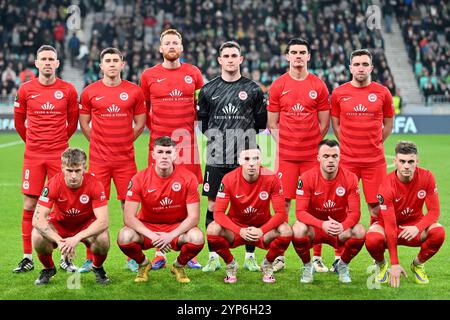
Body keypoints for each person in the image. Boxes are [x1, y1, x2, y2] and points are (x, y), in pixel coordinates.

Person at [197, 41, 267, 272]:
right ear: (219, 60)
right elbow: (204, 125)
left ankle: (249, 256)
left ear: (241, 59)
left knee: (249, 206)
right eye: (225, 55)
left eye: (234, 55)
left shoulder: (254, 89)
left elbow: (260, 123)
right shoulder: (208, 90)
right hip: (217, 157)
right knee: (214, 205)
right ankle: (214, 256)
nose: (229, 59)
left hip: (247, 158)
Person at [140, 29, 203, 270]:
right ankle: (159, 252)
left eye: (175, 42)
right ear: (160, 48)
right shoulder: (149, 76)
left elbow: (200, 106)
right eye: (167, 43)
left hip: (187, 146)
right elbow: (144, 109)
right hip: (159, 146)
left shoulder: (193, 73)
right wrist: (156, 132)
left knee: (188, 197)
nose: (171, 46)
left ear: (182, 47)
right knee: (157, 196)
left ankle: (189, 251)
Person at [79, 47, 146, 273]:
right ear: (101, 65)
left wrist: (126, 140)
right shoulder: (89, 92)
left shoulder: (134, 92)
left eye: (115, 60)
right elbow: (84, 124)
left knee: (129, 206)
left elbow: (140, 123)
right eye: (107, 61)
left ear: (122, 64)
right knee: (94, 208)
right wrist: (98, 142)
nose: (112, 64)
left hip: (125, 160)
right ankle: (91, 257)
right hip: (99, 161)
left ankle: (132, 256)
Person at [13, 45, 79, 273]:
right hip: (33, 155)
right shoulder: (25, 90)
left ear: (57, 63)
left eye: (52, 59)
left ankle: (66, 257)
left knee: (62, 205)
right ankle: (27, 257)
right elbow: (19, 123)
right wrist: (34, 143)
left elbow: (72, 123)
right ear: (37, 63)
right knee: (30, 204)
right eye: (44, 59)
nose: (48, 62)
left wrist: (57, 143)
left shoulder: (68, 90)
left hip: (58, 155)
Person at [267, 38, 331, 273]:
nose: (298, 56)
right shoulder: (278, 85)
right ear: (287, 56)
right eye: (293, 52)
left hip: (311, 157)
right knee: (283, 204)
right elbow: (272, 123)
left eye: (302, 52)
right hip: (286, 156)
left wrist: (310, 143)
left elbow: (324, 123)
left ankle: (316, 256)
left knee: (315, 204)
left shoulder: (319, 85)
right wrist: (287, 143)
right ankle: (280, 255)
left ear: (308, 56)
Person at [330, 48, 394, 272]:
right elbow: (336, 125)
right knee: (342, 208)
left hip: (374, 161)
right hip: (347, 161)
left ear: (371, 68)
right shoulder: (339, 93)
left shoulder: (382, 93)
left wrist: (375, 143)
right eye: (356, 64)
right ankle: (339, 256)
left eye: (365, 64)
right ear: (350, 68)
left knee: (376, 208)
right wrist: (348, 145)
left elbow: (388, 124)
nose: (360, 68)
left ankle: (378, 259)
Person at [117, 136, 204, 283]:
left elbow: (194, 217)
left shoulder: (188, 178)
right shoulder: (139, 178)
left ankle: (178, 265)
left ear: (175, 155)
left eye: (169, 152)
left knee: (197, 237)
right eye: (161, 152)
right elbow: (129, 218)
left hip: (177, 227)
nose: (164, 156)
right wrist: (153, 236)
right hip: (148, 227)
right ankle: (144, 264)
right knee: (124, 236)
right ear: (153, 155)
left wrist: (170, 236)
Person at [206, 146, 292, 283]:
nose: (251, 163)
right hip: (236, 229)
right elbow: (218, 213)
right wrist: (239, 230)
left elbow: (281, 213)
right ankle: (230, 264)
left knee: (286, 230)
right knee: (212, 229)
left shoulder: (271, 178)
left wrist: (261, 230)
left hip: (261, 229)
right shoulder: (229, 178)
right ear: (240, 161)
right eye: (246, 159)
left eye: (255, 159)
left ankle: (268, 263)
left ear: (261, 160)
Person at [365, 141, 445, 287]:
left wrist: (418, 227)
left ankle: (417, 265)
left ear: (417, 161)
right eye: (402, 161)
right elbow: (389, 226)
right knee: (372, 239)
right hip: (389, 226)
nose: (406, 166)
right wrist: (394, 264)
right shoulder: (386, 185)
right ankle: (382, 265)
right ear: (395, 161)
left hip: (414, 226)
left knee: (438, 232)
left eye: (410, 161)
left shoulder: (427, 177)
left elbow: (434, 212)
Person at [32, 148, 110, 285]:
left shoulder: (95, 184)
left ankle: (97, 268)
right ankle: (49, 269)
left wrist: (76, 238)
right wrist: (60, 241)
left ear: (84, 167)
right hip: (60, 225)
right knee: (37, 236)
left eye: (77, 170)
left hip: (85, 225)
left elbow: (103, 221)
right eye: (69, 170)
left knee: (103, 238)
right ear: (62, 168)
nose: (73, 176)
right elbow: (37, 219)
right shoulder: (53, 184)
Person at [292, 139, 365, 284]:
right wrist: (321, 224)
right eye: (326, 156)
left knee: (360, 231)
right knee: (297, 229)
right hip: (315, 229)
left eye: (334, 156)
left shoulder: (350, 178)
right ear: (318, 158)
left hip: (339, 229)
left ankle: (342, 265)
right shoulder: (306, 178)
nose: (330, 160)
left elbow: (355, 213)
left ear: (340, 157)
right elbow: (300, 212)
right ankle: (307, 266)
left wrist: (343, 226)